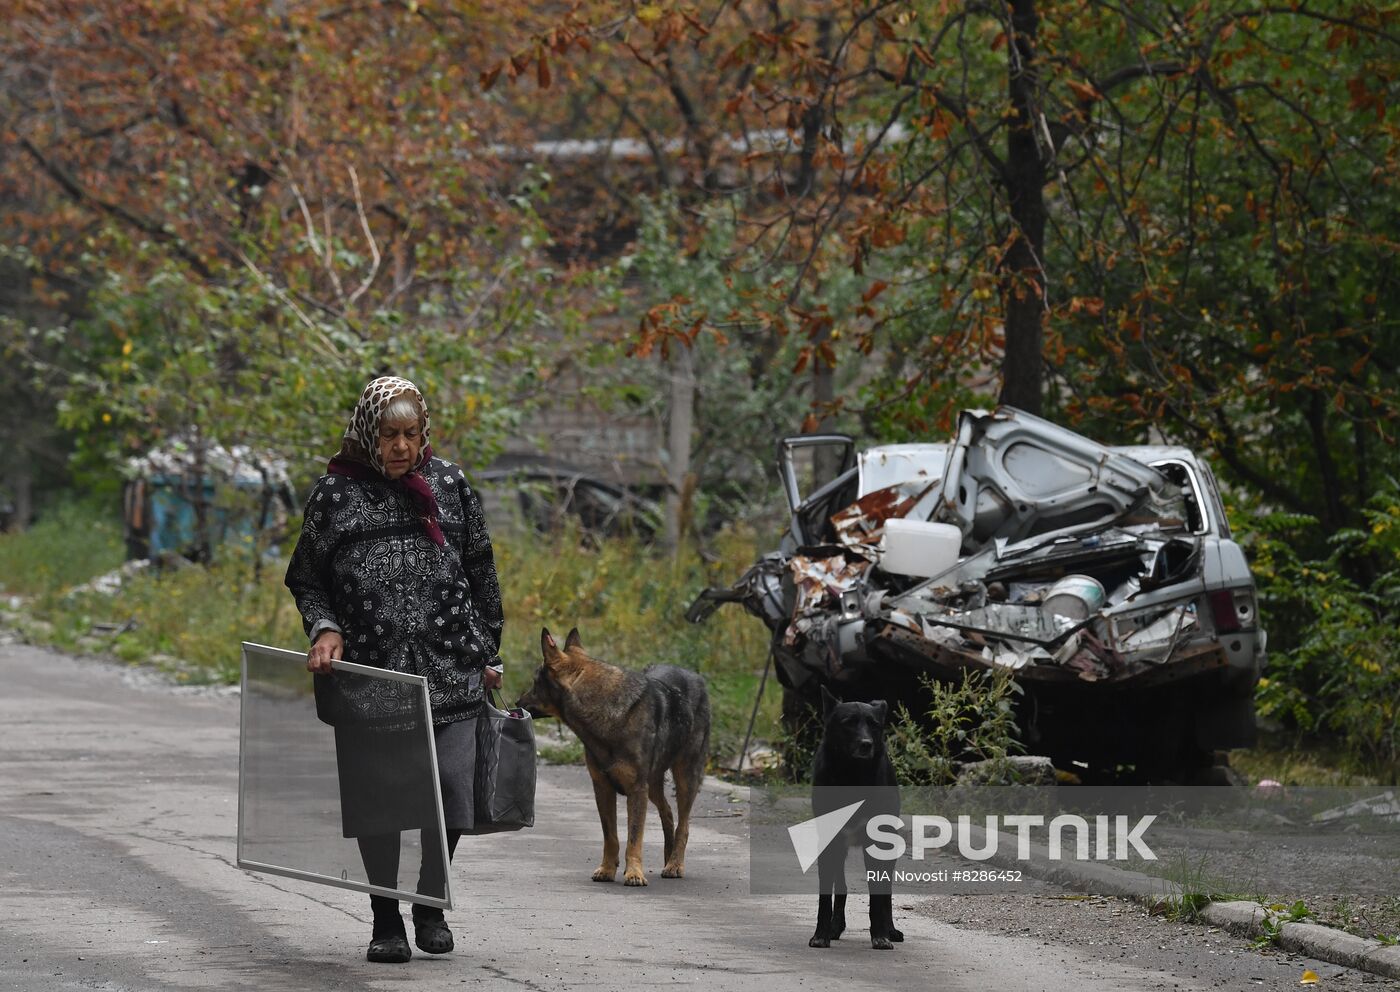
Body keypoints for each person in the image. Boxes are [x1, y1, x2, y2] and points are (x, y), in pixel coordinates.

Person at [285, 375, 504, 964]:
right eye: (389, 435)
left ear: (424, 432)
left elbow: (481, 572)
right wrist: (324, 628)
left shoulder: (449, 484)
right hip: (372, 674)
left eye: (411, 434)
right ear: (368, 433)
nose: (401, 447)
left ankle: (430, 900)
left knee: (451, 792)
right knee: (379, 798)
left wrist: (489, 651)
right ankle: (386, 917)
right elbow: (307, 578)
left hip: (449, 669)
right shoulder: (335, 496)